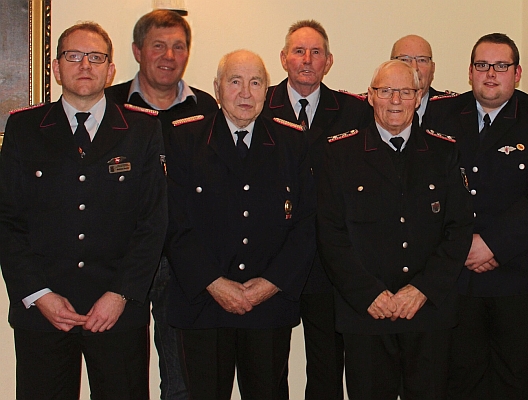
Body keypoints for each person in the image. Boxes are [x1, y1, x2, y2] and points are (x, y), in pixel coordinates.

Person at [0, 22, 167, 399]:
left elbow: (153, 222)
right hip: (43, 312)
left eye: (96, 57)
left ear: (110, 70)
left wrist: (120, 294)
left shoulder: (140, 130)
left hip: (116, 312)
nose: (85, 65)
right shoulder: (24, 128)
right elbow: (7, 221)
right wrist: (39, 294)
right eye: (73, 56)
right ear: (56, 68)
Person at [425, 33, 528, 400]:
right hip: (456, 276)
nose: (491, 74)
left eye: (501, 66)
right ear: (470, 72)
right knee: (460, 377)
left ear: (517, 73)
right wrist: (463, 246)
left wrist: (492, 244)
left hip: (521, 274)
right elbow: (428, 189)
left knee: (516, 378)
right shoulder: (440, 113)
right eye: (482, 65)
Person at [316, 60, 473, 400]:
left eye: (405, 91)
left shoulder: (444, 151)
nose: (396, 100)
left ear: (419, 97)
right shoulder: (339, 153)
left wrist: (421, 289)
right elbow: (330, 234)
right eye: (386, 91)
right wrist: (368, 293)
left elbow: (458, 229)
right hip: (366, 313)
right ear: (370, 96)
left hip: (428, 311)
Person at [166, 49, 315, 400]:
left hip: (268, 306)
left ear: (267, 89)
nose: (245, 93)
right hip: (203, 304)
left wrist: (269, 284)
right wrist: (215, 284)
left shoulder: (292, 141)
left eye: (255, 82)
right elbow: (172, 223)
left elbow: (307, 224)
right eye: (235, 82)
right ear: (217, 89)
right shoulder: (184, 139)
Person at [105, 10, 217, 399]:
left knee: (183, 375)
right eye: (158, 46)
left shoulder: (207, 108)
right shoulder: (110, 105)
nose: (169, 55)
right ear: (137, 51)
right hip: (126, 257)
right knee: (121, 369)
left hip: (186, 259)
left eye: (178, 47)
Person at [264, 19, 369, 400]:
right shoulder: (260, 105)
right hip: (273, 259)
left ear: (329, 61)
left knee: (326, 367)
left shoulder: (355, 111)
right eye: (298, 51)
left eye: (315, 52)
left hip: (329, 262)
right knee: (269, 366)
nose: (306, 60)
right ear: (283, 58)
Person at [390, 34, 455, 125]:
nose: (414, 67)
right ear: (390, 66)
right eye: (404, 60)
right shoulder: (370, 108)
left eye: (422, 60)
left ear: (432, 68)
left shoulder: (453, 110)